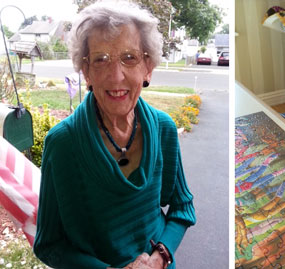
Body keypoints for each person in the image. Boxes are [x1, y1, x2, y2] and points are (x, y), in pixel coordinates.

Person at [33, 1, 196, 268]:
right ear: (86, 72)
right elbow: (48, 244)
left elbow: (182, 208)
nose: (116, 76)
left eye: (129, 58)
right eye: (100, 59)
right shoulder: (62, 145)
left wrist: (159, 259)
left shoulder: (164, 128)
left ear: (148, 67)